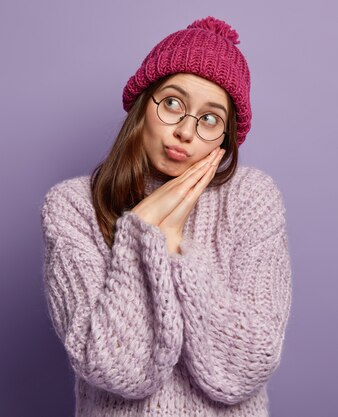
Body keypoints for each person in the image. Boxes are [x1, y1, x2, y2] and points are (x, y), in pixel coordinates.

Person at [40, 16, 292, 417]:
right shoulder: (72, 206)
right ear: (143, 104)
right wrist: (140, 233)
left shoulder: (252, 199)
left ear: (226, 138)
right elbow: (116, 368)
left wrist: (173, 245)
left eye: (210, 118)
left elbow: (248, 367)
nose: (186, 132)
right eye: (173, 103)